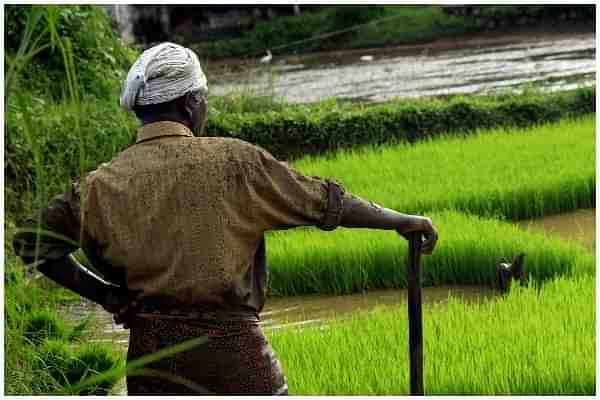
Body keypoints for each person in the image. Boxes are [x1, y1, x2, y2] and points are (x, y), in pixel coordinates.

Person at [13, 42, 438, 395]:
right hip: (235, 357)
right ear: (190, 102)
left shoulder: (100, 185)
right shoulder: (235, 161)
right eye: (204, 97)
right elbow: (326, 202)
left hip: (152, 362)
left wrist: (107, 296)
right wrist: (401, 220)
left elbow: (30, 241)